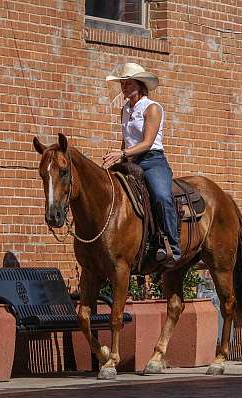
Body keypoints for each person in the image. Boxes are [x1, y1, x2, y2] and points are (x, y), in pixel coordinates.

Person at [102, 63, 181, 269]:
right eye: (123, 84)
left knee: (161, 196)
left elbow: (146, 143)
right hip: (130, 161)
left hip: (152, 160)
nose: (124, 88)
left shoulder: (152, 108)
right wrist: (117, 158)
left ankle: (173, 246)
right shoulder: (125, 110)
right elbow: (126, 140)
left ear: (140, 85)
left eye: (128, 84)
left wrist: (122, 153)